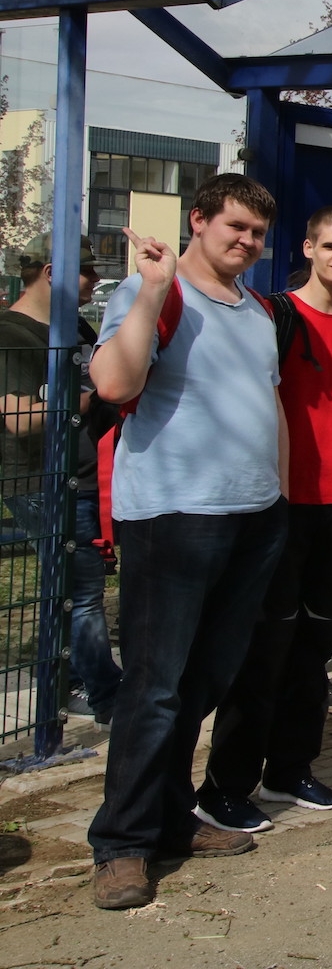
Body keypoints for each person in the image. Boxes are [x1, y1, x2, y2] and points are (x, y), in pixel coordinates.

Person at [86, 175, 288, 910]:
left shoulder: (258, 311)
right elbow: (112, 383)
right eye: (235, 226)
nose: (247, 242)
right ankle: (122, 843)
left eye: (258, 233)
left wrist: (280, 498)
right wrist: (149, 290)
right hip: (173, 516)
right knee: (155, 687)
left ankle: (171, 816)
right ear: (197, 221)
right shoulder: (158, 295)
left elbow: (269, 404)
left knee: (203, 683)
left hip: (253, 515)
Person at [195, 208, 332, 834]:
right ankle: (224, 787)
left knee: (314, 651)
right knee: (263, 652)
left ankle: (291, 769)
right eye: (331, 246)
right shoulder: (277, 316)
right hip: (281, 508)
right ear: (309, 248)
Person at [0, 234, 118, 725]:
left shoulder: (78, 330)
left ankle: (72, 679)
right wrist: (83, 396)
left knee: (75, 589)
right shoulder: (12, 333)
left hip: (87, 477)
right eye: (87, 272)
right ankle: (105, 693)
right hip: (41, 481)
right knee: (82, 591)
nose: (94, 281)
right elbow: (18, 419)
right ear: (52, 273)